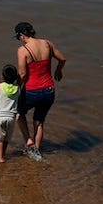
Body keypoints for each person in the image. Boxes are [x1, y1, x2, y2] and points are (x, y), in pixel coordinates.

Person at [13, 22, 67, 161]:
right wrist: (58, 70)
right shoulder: (47, 44)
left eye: (19, 37)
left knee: (19, 114)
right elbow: (62, 58)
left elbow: (23, 74)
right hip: (49, 91)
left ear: (21, 35)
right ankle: (36, 151)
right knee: (39, 121)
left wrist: (16, 89)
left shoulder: (23, 50)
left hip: (32, 91)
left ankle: (29, 141)